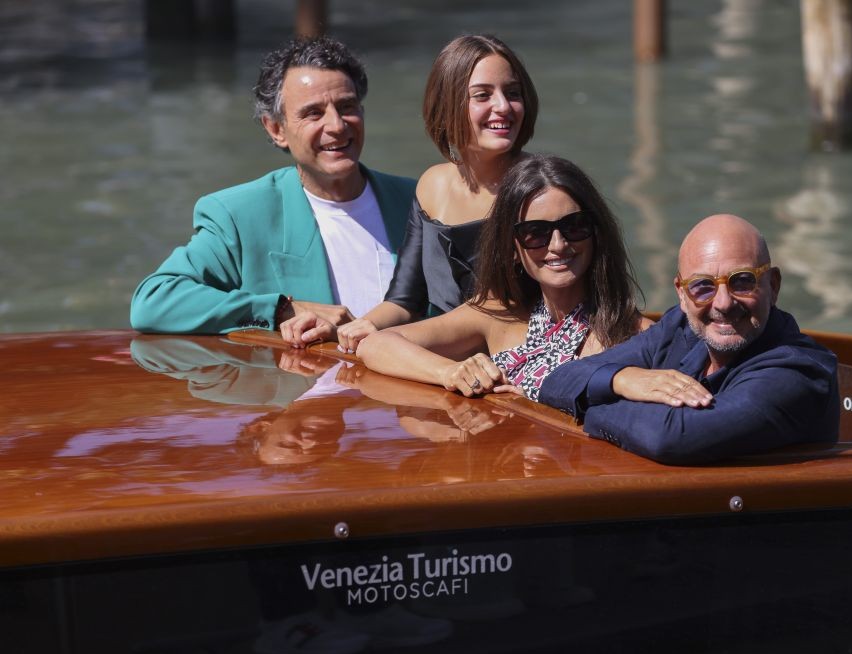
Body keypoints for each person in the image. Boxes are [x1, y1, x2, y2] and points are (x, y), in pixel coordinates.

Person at [130, 37, 415, 334]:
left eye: (347, 106)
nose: (337, 125)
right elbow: (154, 301)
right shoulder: (240, 215)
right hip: (305, 379)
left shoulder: (419, 201)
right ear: (276, 129)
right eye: (313, 113)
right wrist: (281, 309)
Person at [280, 34, 538, 350]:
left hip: (522, 368)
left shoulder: (544, 190)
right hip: (444, 368)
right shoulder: (431, 186)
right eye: (482, 95)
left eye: (513, 93)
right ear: (448, 105)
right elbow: (405, 300)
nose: (503, 107)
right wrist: (354, 328)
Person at [538, 214, 840, 465]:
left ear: (773, 285)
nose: (722, 303)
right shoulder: (679, 329)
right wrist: (623, 380)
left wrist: (589, 406)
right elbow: (558, 380)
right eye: (702, 287)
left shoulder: (798, 372)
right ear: (681, 294)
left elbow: (669, 437)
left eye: (742, 281)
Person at [357, 154, 651, 401]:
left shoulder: (635, 334)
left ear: (597, 233)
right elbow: (377, 344)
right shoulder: (498, 313)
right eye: (535, 233)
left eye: (574, 226)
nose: (558, 244)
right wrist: (449, 372)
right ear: (512, 247)